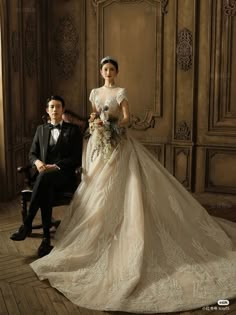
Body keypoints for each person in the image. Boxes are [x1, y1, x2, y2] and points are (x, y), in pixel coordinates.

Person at [30, 57, 236, 313]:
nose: (108, 73)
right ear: (101, 72)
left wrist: (113, 124)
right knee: (96, 187)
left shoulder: (120, 93)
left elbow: (127, 118)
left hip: (119, 143)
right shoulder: (95, 92)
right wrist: (96, 123)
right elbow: (94, 114)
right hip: (97, 144)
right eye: (105, 69)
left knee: (128, 187)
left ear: (116, 72)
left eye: (112, 70)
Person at [10, 95, 83, 257]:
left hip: (64, 177)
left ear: (63, 110)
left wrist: (55, 166)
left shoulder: (73, 131)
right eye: (51, 107)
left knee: (43, 179)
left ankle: (27, 225)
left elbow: (76, 158)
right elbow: (32, 153)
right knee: (45, 185)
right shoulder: (40, 130)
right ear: (47, 110)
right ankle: (45, 241)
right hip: (45, 178)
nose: (54, 110)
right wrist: (36, 162)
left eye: (58, 106)